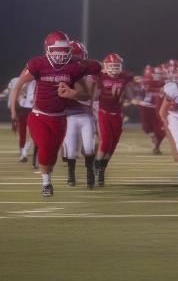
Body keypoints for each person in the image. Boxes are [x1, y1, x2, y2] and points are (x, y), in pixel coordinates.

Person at [9, 32, 89, 196]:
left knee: (52, 155)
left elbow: (86, 94)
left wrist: (73, 94)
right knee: (45, 147)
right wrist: (13, 110)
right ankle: (46, 184)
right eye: (56, 50)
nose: (60, 54)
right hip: (39, 116)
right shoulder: (38, 64)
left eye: (63, 50)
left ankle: (47, 176)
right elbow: (18, 85)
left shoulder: (73, 67)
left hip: (60, 118)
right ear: (47, 49)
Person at [63, 40, 101, 188]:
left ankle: (90, 173)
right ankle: (71, 176)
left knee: (89, 147)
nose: (76, 63)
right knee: (71, 150)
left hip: (86, 115)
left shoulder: (91, 70)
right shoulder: (62, 73)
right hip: (69, 115)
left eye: (77, 59)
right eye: (73, 59)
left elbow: (89, 95)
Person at [94, 54, 135, 187]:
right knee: (105, 140)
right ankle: (97, 169)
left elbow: (128, 91)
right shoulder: (101, 77)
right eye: (111, 66)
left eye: (116, 66)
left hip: (117, 114)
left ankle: (101, 169)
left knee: (112, 144)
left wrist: (132, 98)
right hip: (104, 112)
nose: (114, 68)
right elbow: (95, 96)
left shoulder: (125, 77)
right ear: (105, 67)